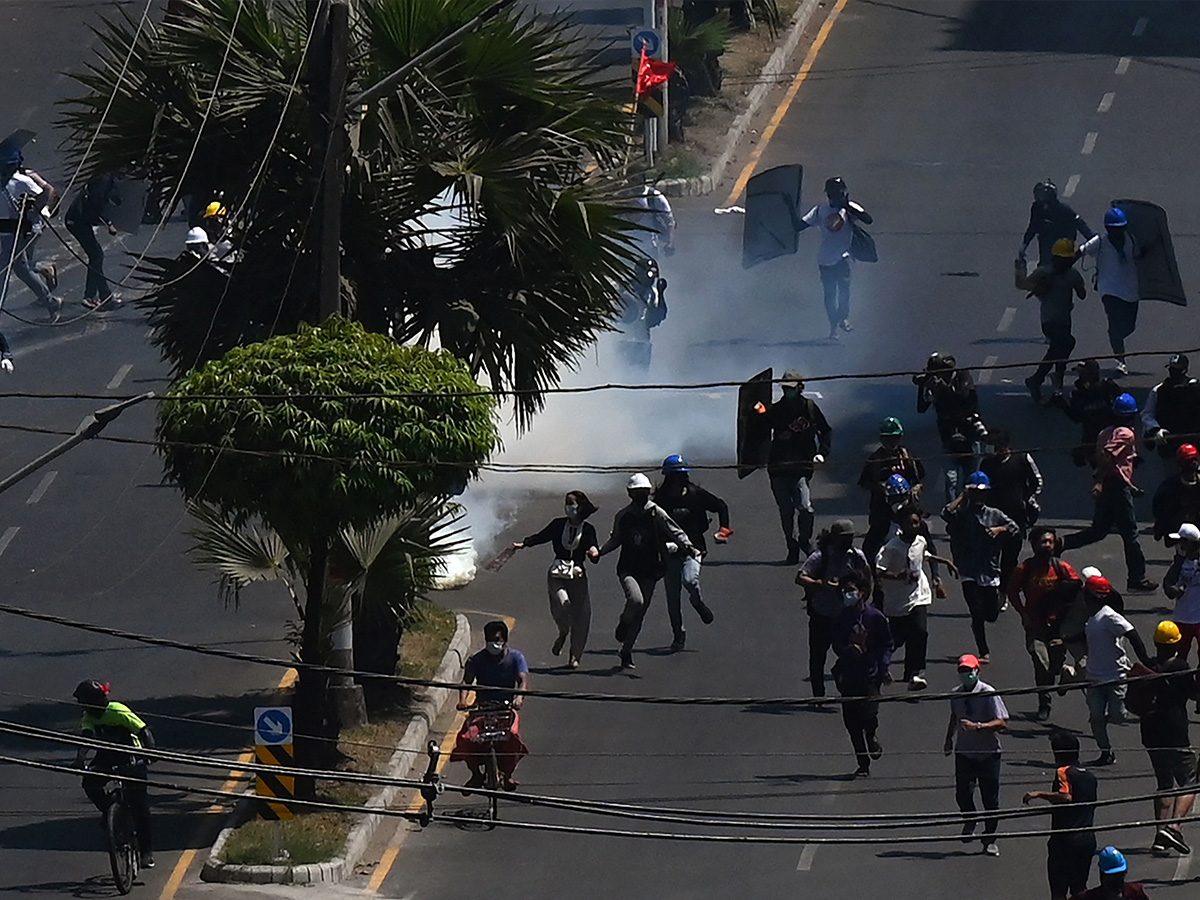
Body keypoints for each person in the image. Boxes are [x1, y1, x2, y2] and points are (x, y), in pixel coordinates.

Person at [590, 473, 695, 669]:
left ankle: (626, 651)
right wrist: (600, 552)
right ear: (630, 493)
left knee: (640, 612)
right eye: (637, 492)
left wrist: (687, 546)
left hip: (650, 569)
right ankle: (624, 621)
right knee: (635, 601)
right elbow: (616, 538)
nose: (641, 495)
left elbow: (674, 531)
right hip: (628, 567)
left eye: (643, 491)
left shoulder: (656, 512)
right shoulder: (624, 516)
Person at [1061, 394, 1157, 592]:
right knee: (1130, 534)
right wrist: (1101, 482)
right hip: (1115, 487)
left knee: (1099, 530)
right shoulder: (1126, 434)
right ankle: (1137, 578)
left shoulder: (1105, 432)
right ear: (1131, 415)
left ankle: (1061, 544)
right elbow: (1107, 456)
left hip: (1113, 485)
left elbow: (1112, 460)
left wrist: (1129, 480)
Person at [72, 680, 155, 868]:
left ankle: (146, 853)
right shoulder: (89, 717)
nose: (83, 707)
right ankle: (110, 810)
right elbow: (86, 738)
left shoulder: (117, 711)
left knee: (139, 807)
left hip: (130, 755)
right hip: (107, 756)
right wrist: (80, 759)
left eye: (84, 703)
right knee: (89, 783)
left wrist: (150, 754)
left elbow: (143, 731)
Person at [512, 491, 599, 669]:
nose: (568, 507)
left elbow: (593, 548)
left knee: (581, 616)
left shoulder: (588, 529)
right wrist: (524, 543)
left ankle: (575, 656)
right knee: (563, 604)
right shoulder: (558, 524)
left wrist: (593, 552)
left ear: (580, 507)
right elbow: (542, 536)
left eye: (571, 503)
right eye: (566, 503)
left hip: (577, 575)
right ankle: (563, 631)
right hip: (557, 574)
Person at [1132, 621, 1198, 857]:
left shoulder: (1149, 666)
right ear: (1176, 643)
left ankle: (1159, 836)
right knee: (1191, 781)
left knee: (1164, 783)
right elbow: (1194, 694)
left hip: (1150, 733)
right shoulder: (1180, 667)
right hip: (1175, 733)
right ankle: (1173, 828)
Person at [754, 370, 832, 563]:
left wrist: (822, 452)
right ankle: (791, 545)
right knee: (786, 511)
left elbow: (825, 430)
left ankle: (804, 540)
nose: (787, 392)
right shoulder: (775, 410)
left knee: (805, 508)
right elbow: (759, 431)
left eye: (791, 388)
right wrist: (756, 411)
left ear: (800, 388)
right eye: (785, 389)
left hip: (801, 468)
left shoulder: (810, 408)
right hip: (778, 468)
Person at [876, 506, 957, 690]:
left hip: (918, 595)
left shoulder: (920, 541)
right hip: (897, 600)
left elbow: (924, 556)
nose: (914, 526)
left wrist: (945, 562)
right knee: (897, 637)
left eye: (916, 522)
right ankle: (880, 663)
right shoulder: (891, 548)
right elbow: (879, 570)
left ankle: (915, 673)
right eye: (909, 523)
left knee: (920, 632)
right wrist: (897, 576)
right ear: (901, 524)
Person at [942, 472, 1019, 663]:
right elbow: (946, 513)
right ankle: (983, 651)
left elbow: (1015, 528)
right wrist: (962, 495)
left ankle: (995, 603)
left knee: (991, 614)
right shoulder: (962, 515)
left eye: (982, 494)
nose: (979, 497)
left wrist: (1000, 529)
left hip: (989, 570)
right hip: (969, 569)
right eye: (975, 493)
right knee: (976, 613)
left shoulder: (995, 514)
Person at [1008, 527, 1084, 721]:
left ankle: (1061, 674)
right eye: (1044, 542)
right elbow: (1013, 592)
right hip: (1036, 626)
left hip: (1059, 627)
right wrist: (1023, 613)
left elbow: (1077, 588)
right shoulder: (1024, 569)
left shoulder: (1061, 567)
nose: (1048, 545)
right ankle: (1044, 703)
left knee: (1054, 666)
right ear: (1034, 545)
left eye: (1051, 542)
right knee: (1040, 662)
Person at [653, 455, 727, 651]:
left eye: (680, 476)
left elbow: (721, 506)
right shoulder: (660, 500)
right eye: (673, 477)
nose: (677, 481)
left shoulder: (696, 494)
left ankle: (697, 602)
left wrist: (724, 529)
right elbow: (653, 525)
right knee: (673, 598)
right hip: (669, 553)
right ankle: (678, 635)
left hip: (694, 549)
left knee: (690, 580)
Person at [795, 519, 872, 697]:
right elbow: (800, 577)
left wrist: (862, 599)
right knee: (818, 656)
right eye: (844, 538)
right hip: (822, 614)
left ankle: (843, 679)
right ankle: (818, 694)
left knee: (851, 653)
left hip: (846, 615)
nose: (847, 542)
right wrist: (820, 584)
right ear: (834, 538)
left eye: (850, 538)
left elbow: (867, 576)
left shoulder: (856, 556)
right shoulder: (821, 556)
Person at [1082, 575, 1152, 766]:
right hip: (1094, 678)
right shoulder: (1090, 616)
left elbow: (1132, 634)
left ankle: (1072, 675)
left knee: (1119, 716)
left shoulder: (1109, 616)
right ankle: (1106, 752)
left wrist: (1145, 660)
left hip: (1115, 676)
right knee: (1095, 718)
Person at [944, 653, 1009, 857]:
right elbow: (954, 717)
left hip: (988, 754)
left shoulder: (988, 693)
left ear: (977, 671)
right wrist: (948, 738)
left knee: (990, 800)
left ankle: (990, 839)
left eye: (969, 670)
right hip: (964, 751)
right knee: (962, 794)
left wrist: (978, 726)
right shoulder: (956, 694)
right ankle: (970, 819)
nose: (966, 674)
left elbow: (1002, 722)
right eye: (962, 670)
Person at [452, 620, 530, 790]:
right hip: (482, 709)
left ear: (504, 640)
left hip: (506, 709)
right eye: (490, 640)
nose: (494, 644)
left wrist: (519, 698)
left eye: (497, 640)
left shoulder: (516, 658)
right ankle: (475, 774)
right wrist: (462, 701)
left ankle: (507, 775)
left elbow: (522, 681)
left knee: (513, 738)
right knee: (466, 739)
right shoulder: (476, 660)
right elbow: (466, 682)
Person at [1022, 732, 1098, 900]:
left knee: (1058, 891)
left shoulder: (1063, 772)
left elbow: (1066, 797)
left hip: (1065, 841)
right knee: (1079, 889)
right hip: (1087, 839)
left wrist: (1038, 794)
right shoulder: (1090, 776)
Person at [832, 570, 892, 777]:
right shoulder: (842, 618)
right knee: (852, 723)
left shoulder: (875, 617)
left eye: (851, 590)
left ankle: (871, 735)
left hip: (870, 675)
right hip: (849, 676)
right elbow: (837, 644)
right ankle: (862, 763)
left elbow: (887, 643)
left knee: (869, 714)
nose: (847, 594)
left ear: (862, 592)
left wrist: (883, 667)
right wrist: (848, 650)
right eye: (844, 591)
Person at [796, 176, 873, 339]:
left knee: (844, 290)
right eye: (833, 194)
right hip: (825, 260)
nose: (835, 197)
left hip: (843, 257)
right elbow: (799, 226)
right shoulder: (820, 210)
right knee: (830, 295)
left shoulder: (849, 208)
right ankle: (833, 326)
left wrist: (848, 207)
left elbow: (868, 219)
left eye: (839, 194)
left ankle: (843, 318)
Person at [1015, 238, 1087, 402]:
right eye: (1062, 260)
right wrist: (1021, 271)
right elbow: (1023, 284)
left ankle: (1043, 381)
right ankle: (1046, 379)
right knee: (1067, 342)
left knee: (1059, 350)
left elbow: (1082, 294)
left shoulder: (1073, 274)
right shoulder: (1044, 272)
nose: (1065, 263)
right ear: (1055, 258)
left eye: (1067, 260)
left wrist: (1078, 286)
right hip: (1049, 319)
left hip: (1065, 319)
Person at [0, 142, 62, 321]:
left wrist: (35, 211)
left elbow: (45, 192)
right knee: (22, 269)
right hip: (5, 231)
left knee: (4, 269)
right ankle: (50, 302)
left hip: (18, 232)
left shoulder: (21, 180)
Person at [914, 352, 986, 503]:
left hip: (969, 433)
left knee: (970, 477)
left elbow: (961, 398)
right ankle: (951, 510)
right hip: (948, 436)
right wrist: (923, 385)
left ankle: (969, 506)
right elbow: (921, 407)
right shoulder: (933, 383)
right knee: (950, 479)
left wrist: (942, 387)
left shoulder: (962, 376)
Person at [981, 428, 1043, 589]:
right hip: (992, 519)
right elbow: (980, 486)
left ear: (1003, 445)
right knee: (991, 556)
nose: (992, 449)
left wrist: (1028, 500)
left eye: (995, 445)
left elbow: (1037, 482)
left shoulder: (1022, 459)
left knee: (1010, 557)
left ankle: (1005, 589)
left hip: (1016, 517)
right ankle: (992, 587)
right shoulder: (986, 464)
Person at [1080, 207, 1140, 375]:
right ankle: (1120, 359)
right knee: (1114, 325)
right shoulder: (1099, 241)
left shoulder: (1132, 240)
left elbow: (1141, 255)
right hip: (1109, 290)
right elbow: (1080, 251)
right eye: (1114, 229)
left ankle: (1117, 338)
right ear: (1107, 228)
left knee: (1129, 326)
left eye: (1120, 228)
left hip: (1130, 290)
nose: (1117, 232)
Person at [859, 417, 925, 564]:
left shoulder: (907, 457)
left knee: (919, 536)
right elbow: (863, 483)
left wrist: (916, 488)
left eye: (895, 438)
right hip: (882, 510)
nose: (891, 442)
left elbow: (919, 479)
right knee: (872, 546)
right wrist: (879, 486)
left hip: (906, 509)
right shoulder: (875, 459)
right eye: (888, 438)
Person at [65, 172, 123, 310]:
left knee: (96, 256)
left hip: (81, 220)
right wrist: (109, 224)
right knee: (96, 255)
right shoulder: (104, 179)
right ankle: (94, 296)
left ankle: (100, 295)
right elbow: (96, 202)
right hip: (77, 220)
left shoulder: (108, 178)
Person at [1051, 358, 1122, 468]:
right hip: (1092, 437)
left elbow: (1076, 417)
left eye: (1083, 374)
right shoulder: (1079, 393)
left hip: (1107, 436)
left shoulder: (1105, 387)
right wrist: (1061, 402)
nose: (1080, 377)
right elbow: (1076, 417)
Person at [1018, 178, 1094, 267]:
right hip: (1046, 243)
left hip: (1063, 244)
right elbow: (1033, 226)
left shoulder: (1064, 210)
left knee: (1064, 269)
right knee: (1044, 268)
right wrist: (1024, 244)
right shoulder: (1037, 208)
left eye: (1042, 196)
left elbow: (1080, 224)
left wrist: (1093, 240)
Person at [1141, 354, 1200, 468]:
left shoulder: (1196, 388)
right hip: (1170, 444)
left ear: (1184, 370)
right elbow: (1147, 414)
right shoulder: (1159, 390)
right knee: (1171, 475)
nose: (1173, 372)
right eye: (1171, 369)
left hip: (1195, 442)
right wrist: (1156, 429)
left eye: (1176, 369)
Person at [615, 255, 667, 371]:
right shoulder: (623, 288)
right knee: (621, 372)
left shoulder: (653, 293)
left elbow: (658, 317)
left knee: (640, 374)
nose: (650, 278)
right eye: (648, 273)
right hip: (623, 340)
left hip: (642, 342)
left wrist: (661, 293)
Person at [1162, 524, 1200, 661]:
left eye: (1181, 542)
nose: (1178, 545)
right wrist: (1173, 590)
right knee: (1179, 656)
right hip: (1182, 618)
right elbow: (1168, 584)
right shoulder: (1178, 563)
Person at [1151, 444, 1200, 543]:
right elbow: (1159, 509)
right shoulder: (1169, 487)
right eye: (1186, 462)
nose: (1190, 465)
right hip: (1176, 527)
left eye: (1192, 461)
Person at [1070, 846, 1150, 900]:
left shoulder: (1135, 893)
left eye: (1119, 876)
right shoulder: (1087, 897)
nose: (1116, 882)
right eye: (1112, 877)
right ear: (1102, 875)